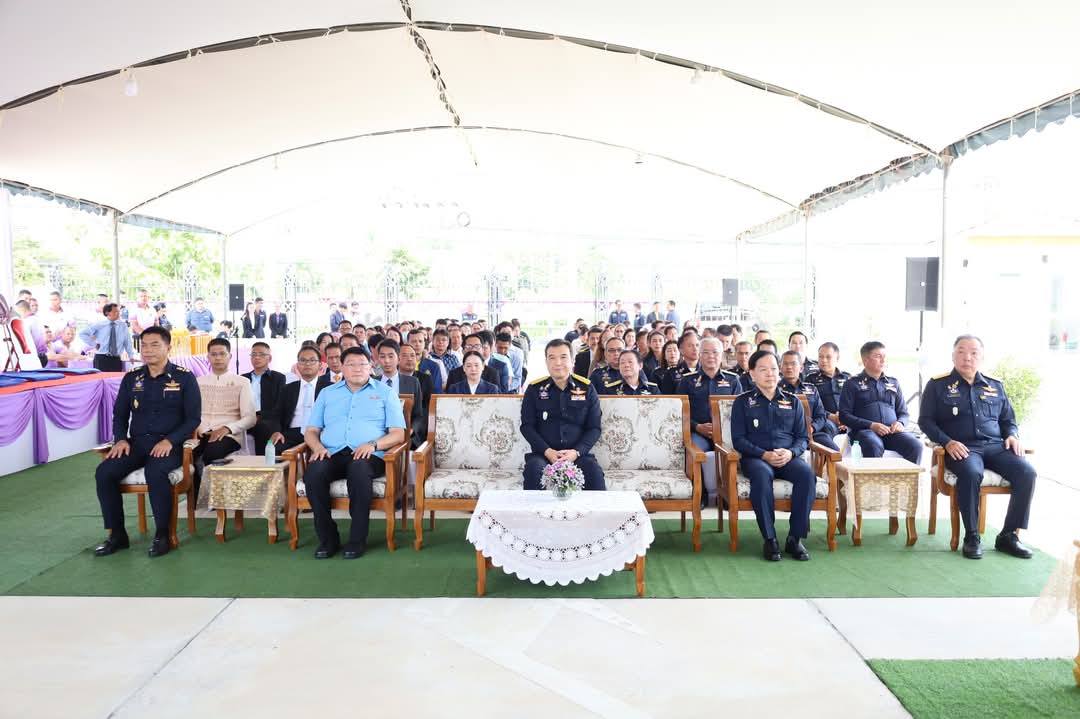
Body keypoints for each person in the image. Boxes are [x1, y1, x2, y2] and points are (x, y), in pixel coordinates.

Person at [918, 335, 1036, 560]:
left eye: (974, 353)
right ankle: (972, 536)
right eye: (961, 352)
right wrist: (947, 442)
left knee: (1027, 472)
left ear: (982, 357)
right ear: (953, 356)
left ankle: (1008, 536)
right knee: (971, 472)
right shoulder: (938, 384)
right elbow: (925, 421)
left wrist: (1012, 435)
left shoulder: (995, 385)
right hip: (962, 448)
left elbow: (1008, 420)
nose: (967, 358)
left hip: (995, 446)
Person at [93, 327, 200, 558]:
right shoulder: (132, 378)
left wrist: (170, 440)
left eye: (155, 345)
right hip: (137, 444)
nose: (148, 350)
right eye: (144, 345)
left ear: (168, 347)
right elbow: (120, 414)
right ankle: (117, 535)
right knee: (104, 472)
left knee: (156, 472)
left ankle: (163, 534)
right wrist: (120, 439)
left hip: (169, 446)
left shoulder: (184, 377)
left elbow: (193, 419)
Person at [304, 346, 407, 559]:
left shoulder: (385, 393)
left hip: (369, 455)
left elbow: (398, 434)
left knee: (358, 470)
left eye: (362, 364)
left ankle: (357, 540)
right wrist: (318, 448)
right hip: (331, 453)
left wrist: (373, 444)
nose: (357, 368)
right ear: (341, 367)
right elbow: (311, 431)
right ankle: (328, 539)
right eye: (351, 364)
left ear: (371, 367)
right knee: (314, 472)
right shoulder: (327, 393)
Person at [730, 350, 815, 562]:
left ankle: (795, 538)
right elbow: (738, 439)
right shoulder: (742, 402)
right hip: (756, 458)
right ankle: (770, 539)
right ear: (752, 373)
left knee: (807, 474)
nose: (770, 374)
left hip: (787, 458)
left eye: (774, 369)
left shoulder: (792, 401)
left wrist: (791, 452)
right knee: (761, 476)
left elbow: (803, 438)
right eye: (763, 369)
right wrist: (764, 454)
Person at [520, 339, 605, 491]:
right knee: (534, 470)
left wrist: (576, 452)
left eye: (563, 357)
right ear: (546, 362)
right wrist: (548, 452)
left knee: (594, 472)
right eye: (552, 358)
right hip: (543, 455)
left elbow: (594, 428)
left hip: (577, 455)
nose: (558, 363)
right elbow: (527, 426)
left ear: (572, 360)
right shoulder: (534, 389)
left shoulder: (587, 388)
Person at [677, 337, 741, 503]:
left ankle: (727, 494)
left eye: (715, 352)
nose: (710, 356)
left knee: (731, 452)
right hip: (699, 432)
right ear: (699, 354)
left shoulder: (733, 380)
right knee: (695, 450)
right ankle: (700, 494)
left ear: (722, 354)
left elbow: (740, 411)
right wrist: (697, 427)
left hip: (726, 433)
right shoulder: (687, 380)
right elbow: (679, 412)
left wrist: (722, 430)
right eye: (705, 352)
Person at [838, 341, 923, 465]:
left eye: (884, 356)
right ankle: (875, 478)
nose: (883, 360)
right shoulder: (852, 383)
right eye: (878, 356)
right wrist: (871, 425)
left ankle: (906, 478)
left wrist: (900, 423)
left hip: (891, 432)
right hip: (865, 432)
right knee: (873, 444)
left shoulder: (893, 383)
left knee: (916, 445)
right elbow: (844, 415)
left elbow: (903, 413)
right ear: (865, 360)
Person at [194, 338, 257, 493]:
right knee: (185, 453)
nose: (218, 358)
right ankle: (195, 498)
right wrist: (197, 427)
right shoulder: (198, 382)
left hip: (228, 435)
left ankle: (215, 497)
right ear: (208, 357)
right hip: (200, 432)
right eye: (213, 354)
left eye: (222, 354)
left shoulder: (242, 382)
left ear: (230, 356)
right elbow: (191, 412)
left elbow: (251, 418)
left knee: (212, 453)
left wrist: (228, 428)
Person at [265, 346, 327, 454]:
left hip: (320, 432)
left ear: (320, 365)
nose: (307, 364)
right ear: (297, 365)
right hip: (293, 432)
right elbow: (276, 414)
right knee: (274, 449)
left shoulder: (329, 388)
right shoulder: (288, 388)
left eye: (312, 360)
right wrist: (276, 431)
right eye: (303, 360)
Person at [779, 350, 839, 450]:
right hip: (786, 436)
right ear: (780, 368)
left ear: (801, 368)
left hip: (812, 434)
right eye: (785, 364)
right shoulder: (775, 390)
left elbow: (821, 416)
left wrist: (812, 428)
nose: (789, 367)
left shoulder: (811, 389)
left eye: (793, 363)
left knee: (834, 452)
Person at [374, 339, 425, 448]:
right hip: (376, 437)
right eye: (382, 356)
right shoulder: (372, 383)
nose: (387, 361)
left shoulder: (412, 382)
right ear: (378, 359)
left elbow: (419, 415)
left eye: (391, 356)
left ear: (398, 359)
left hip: (405, 436)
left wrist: (411, 430)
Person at [243, 342, 286, 449]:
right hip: (245, 418)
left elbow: (280, 405)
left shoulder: (278, 378)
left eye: (261, 354)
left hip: (266, 419)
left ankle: (263, 459)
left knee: (263, 427)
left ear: (269, 358)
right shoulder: (243, 378)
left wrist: (259, 416)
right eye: (254, 354)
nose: (257, 357)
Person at [805, 342, 850, 431]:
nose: (824, 360)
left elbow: (856, 403)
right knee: (827, 428)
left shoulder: (847, 378)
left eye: (828, 357)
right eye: (820, 357)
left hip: (848, 419)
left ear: (837, 358)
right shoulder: (810, 379)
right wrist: (830, 416)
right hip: (825, 420)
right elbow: (809, 406)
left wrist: (846, 417)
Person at [80, 302, 135, 372]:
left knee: (115, 378)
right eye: (115, 311)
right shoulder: (99, 324)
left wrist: (131, 355)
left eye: (118, 311)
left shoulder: (123, 326)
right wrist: (94, 344)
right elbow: (82, 333)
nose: (118, 313)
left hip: (116, 359)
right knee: (100, 378)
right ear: (107, 313)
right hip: (101, 358)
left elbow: (127, 342)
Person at [398, 344, 433, 430]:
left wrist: (414, 429)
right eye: (405, 355)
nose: (409, 359)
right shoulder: (391, 379)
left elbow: (427, 408)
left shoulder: (425, 379)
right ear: (397, 359)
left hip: (416, 428)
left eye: (412, 355)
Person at [407, 328, 445, 393]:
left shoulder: (434, 366)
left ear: (424, 343)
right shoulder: (400, 365)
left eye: (420, 341)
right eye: (413, 341)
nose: (417, 344)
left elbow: (437, 391)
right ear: (407, 343)